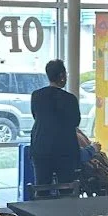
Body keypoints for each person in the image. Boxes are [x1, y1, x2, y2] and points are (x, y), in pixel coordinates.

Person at [29, 59, 82, 187]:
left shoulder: (36, 96)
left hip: (40, 147)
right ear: (62, 76)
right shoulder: (70, 99)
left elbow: (35, 116)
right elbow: (75, 121)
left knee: (42, 188)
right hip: (65, 150)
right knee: (66, 189)